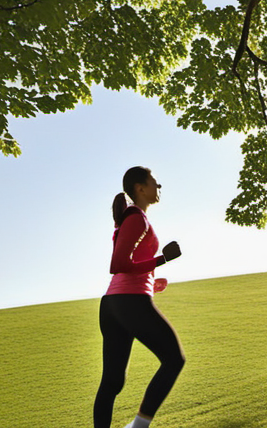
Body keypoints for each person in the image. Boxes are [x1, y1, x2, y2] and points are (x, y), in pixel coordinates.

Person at [93, 166, 186, 428]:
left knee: (112, 381)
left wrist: (151, 281)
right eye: (154, 182)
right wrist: (163, 259)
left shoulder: (132, 218)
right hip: (128, 301)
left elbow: (129, 267)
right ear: (140, 188)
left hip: (115, 303)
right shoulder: (136, 218)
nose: (159, 188)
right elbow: (118, 263)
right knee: (174, 359)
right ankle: (139, 426)